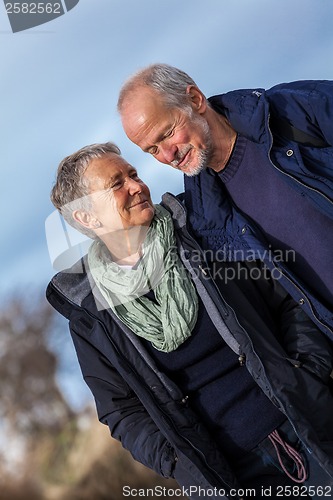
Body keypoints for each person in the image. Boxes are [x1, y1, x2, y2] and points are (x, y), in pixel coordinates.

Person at [47, 142, 333, 500]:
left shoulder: (201, 230)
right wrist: (176, 461)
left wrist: (310, 371)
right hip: (229, 477)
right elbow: (121, 411)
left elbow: (288, 299)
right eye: (116, 184)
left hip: (309, 423)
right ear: (87, 218)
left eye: (133, 174)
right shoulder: (90, 313)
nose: (136, 186)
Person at [118, 64, 333, 339]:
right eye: (152, 150)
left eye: (167, 134)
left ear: (195, 100)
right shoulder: (206, 219)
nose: (168, 155)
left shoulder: (293, 111)